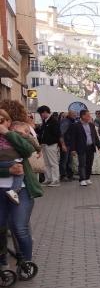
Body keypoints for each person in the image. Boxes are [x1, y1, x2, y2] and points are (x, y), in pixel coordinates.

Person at [0, 109, 41, 269]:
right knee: (0, 229)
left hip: (21, 190)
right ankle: (3, 264)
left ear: (8, 122)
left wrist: (7, 133)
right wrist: (7, 171)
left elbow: (27, 150)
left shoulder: (16, 136)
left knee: (19, 227)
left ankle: (25, 263)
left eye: (2, 120)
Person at [67, 109, 100, 187]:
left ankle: (87, 178)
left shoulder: (91, 125)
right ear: (83, 116)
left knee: (89, 163)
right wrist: (73, 149)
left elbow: (95, 136)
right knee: (82, 163)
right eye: (88, 115)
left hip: (91, 147)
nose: (89, 117)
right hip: (81, 147)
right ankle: (82, 179)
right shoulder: (76, 125)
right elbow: (73, 138)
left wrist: (99, 146)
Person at [37, 106, 61, 187]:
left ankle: (55, 180)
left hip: (51, 145)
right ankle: (48, 179)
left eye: (41, 113)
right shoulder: (45, 121)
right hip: (44, 145)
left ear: (45, 112)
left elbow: (57, 134)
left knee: (53, 163)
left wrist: (49, 141)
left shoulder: (54, 121)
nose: (41, 115)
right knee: (46, 163)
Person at [59, 103, 81, 181]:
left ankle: (69, 175)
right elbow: (61, 133)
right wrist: (63, 145)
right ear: (70, 114)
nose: (75, 115)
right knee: (64, 160)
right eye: (74, 114)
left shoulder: (72, 121)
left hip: (70, 144)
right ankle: (63, 175)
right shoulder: (66, 121)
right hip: (66, 144)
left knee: (69, 160)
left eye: (76, 114)